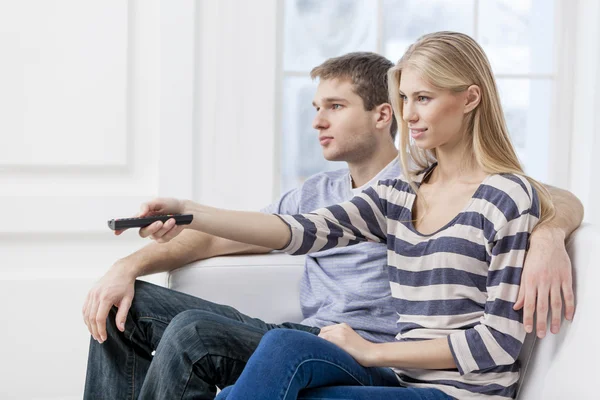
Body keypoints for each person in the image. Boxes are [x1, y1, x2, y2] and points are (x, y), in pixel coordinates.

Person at [83, 50, 581, 399]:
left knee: (214, 338)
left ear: (469, 99)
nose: (411, 115)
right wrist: (187, 211)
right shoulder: (393, 192)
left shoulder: (490, 189)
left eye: (421, 99)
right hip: (342, 348)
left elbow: (534, 200)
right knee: (145, 313)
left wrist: (550, 230)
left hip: (403, 365)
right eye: (407, 99)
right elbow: (294, 230)